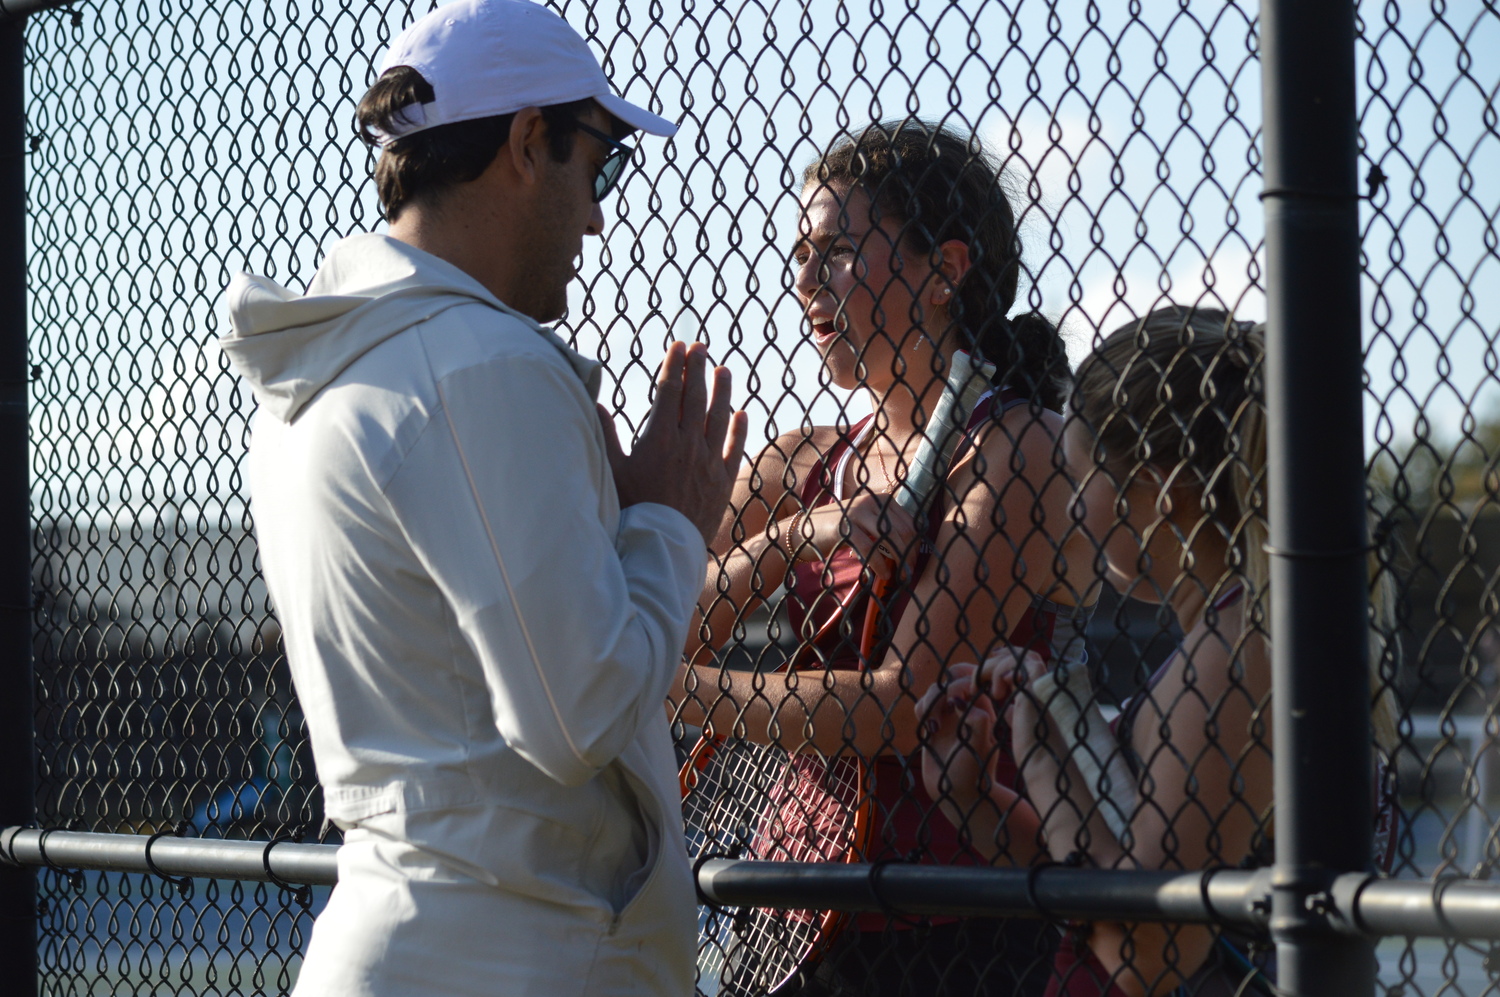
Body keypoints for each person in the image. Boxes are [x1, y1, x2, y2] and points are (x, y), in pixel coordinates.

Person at [218, 2, 746, 994]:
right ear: (525, 141)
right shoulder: (484, 363)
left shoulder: (324, 369)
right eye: (598, 165)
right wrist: (667, 523)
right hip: (512, 959)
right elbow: (575, 715)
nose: (596, 212)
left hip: (405, 936)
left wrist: (615, 528)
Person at [673, 119, 1081, 997]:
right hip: (791, 906)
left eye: (839, 252)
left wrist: (672, 687)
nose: (805, 279)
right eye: (800, 253)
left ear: (945, 271)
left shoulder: (1018, 449)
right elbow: (661, 615)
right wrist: (792, 541)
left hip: (957, 925)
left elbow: (900, 707)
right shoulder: (805, 461)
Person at [918, 305, 1399, 997]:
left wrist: (1043, 759)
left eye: (1084, 478)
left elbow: (1146, 946)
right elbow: (1107, 875)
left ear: (1159, 491)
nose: (1072, 506)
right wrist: (977, 798)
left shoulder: (1239, 655)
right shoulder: (1224, 642)